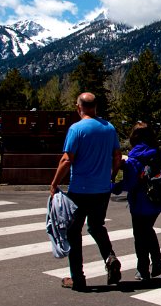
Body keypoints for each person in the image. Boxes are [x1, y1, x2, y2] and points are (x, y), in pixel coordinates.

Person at [50, 93, 123, 291]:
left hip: (80, 190)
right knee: (97, 226)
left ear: (78, 107)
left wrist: (55, 183)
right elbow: (117, 156)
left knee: (74, 232)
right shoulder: (109, 128)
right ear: (96, 107)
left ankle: (78, 278)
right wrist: (111, 176)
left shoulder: (76, 129)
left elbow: (67, 159)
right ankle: (110, 257)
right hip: (102, 189)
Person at [112, 122, 161, 281]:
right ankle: (157, 261)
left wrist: (114, 187)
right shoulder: (159, 154)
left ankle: (143, 269)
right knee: (147, 230)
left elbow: (129, 184)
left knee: (140, 236)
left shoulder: (133, 158)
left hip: (139, 202)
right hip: (157, 200)